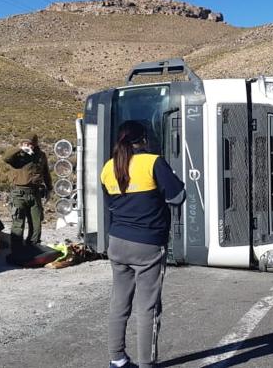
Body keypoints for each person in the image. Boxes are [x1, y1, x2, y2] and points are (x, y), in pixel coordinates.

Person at [101, 121, 185, 368]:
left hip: (117, 242)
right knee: (148, 307)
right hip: (148, 244)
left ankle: (117, 359)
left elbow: (111, 204)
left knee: (119, 302)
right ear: (144, 140)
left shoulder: (109, 167)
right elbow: (177, 196)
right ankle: (146, 363)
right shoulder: (153, 162)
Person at [4, 135, 52, 251]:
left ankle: (32, 247)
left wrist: (49, 188)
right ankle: (17, 250)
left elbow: (46, 173)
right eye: (24, 143)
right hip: (19, 193)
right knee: (18, 223)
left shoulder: (41, 156)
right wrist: (20, 149)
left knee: (36, 224)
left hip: (35, 193)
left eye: (30, 143)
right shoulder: (18, 155)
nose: (27, 145)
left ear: (35, 144)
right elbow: (6, 157)